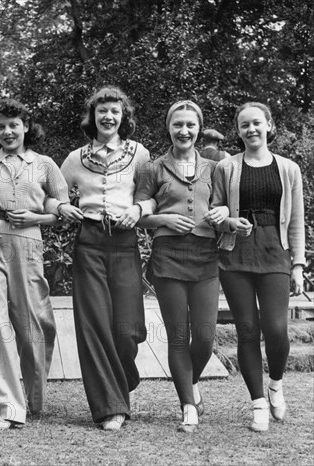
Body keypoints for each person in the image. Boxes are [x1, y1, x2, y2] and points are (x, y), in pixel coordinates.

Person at [0, 98, 69, 430]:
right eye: (1, 125)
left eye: (13, 124)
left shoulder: (45, 164)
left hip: (28, 240)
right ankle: (6, 405)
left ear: (26, 126)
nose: (7, 131)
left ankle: (34, 397)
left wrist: (37, 216)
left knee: (36, 322)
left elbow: (61, 212)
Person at [47, 86, 153, 431]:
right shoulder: (76, 158)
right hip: (89, 242)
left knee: (128, 328)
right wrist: (62, 206)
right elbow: (49, 196)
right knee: (93, 325)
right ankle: (110, 408)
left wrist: (138, 208)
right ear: (92, 117)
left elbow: (153, 197)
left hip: (125, 241)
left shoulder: (139, 154)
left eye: (115, 112)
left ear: (124, 118)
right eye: (101, 111)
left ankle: (124, 380)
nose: (108, 117)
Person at [134, 101, 228, 433]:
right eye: (178, 125)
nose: (184, 131)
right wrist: (164, 218)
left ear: (199, 128)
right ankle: (188, 405)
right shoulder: (152, 168)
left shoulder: (215, 167)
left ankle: (191, 383)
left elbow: (225, 205)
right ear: (168, 127)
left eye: (190, 125)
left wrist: (223, 214)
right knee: (178, 336)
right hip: (168, 255)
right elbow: (139, 215)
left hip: (205, 254)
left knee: (204, 336)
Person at [212, 102, 305, 432]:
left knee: (277, 329)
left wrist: (297, 264)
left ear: (269, 125)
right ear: (238, 131)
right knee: (248, 329)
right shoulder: (227, 167)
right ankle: (258, 404)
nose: (251, 129)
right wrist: (229, 222)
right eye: (244, 125)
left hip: (274, 253)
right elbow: (216, 211)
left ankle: (276, 384)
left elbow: (296, 221)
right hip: (235, 255)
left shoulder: (289, 168)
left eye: (256, 123)